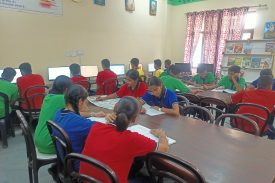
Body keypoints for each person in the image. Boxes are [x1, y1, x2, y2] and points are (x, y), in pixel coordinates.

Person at [80, 96, 169, 183]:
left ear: (114, 109)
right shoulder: (132, 139)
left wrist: (109, 120)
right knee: (148, 178)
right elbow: (164, 148)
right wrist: (161, 136)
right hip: (112, 179)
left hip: (86, 179)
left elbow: (109, 136)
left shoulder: (96, 127)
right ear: (134, 119)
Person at [53, 84, 105, 170]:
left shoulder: (58, 113)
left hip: (66, 160)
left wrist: (92, 114)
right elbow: (104, 130)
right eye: (86, 101)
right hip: (79, 164)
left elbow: (76, 115)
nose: (87, 105)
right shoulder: (80, 123)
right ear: (80, 102)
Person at [34, 75, 72, 154]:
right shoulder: (62, 99)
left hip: (39, 140)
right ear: (66, 89)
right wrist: (94, 113)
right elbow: (78, 113)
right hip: (50, 144)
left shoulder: (48, 97)